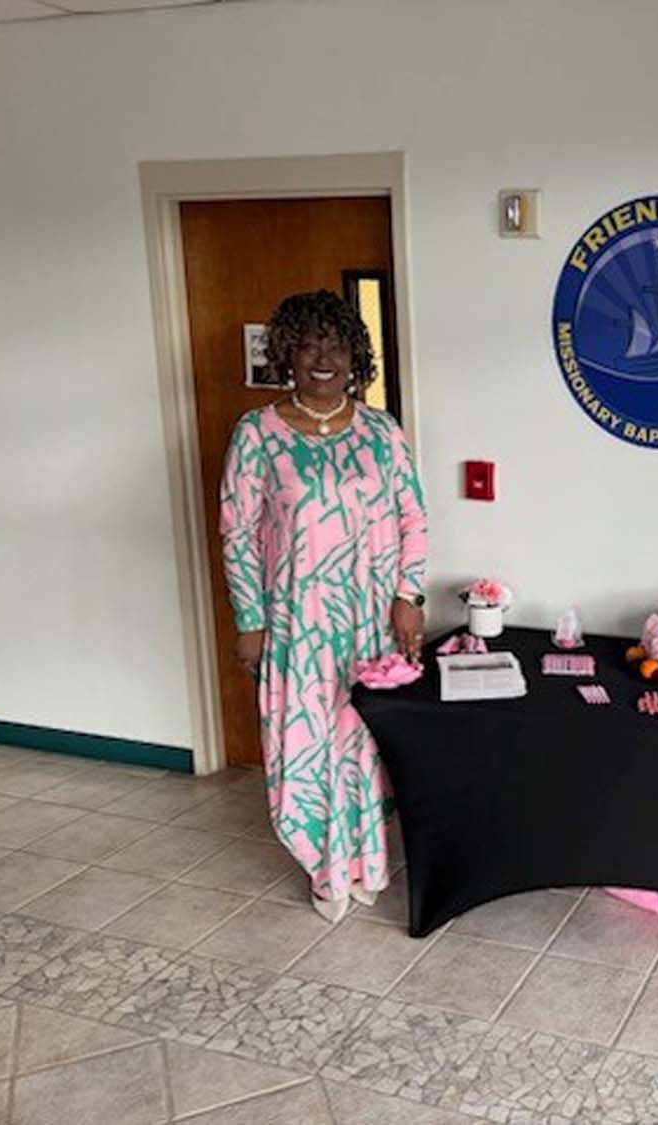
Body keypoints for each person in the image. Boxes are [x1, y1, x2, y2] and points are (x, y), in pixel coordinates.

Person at [219, 289, 428, 923]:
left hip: (368, 624)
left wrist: (409, 596)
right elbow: (236, 532)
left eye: (336, 345)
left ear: (354, 356)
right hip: (295, 626)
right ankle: (324, 869)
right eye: (309, 344)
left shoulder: (381, 433)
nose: (322, 358)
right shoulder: (258, 434)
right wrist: (250, 621)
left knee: (359, 743)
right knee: (306, 746)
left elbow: (412, 518)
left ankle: (365, 862)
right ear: (288, 352)